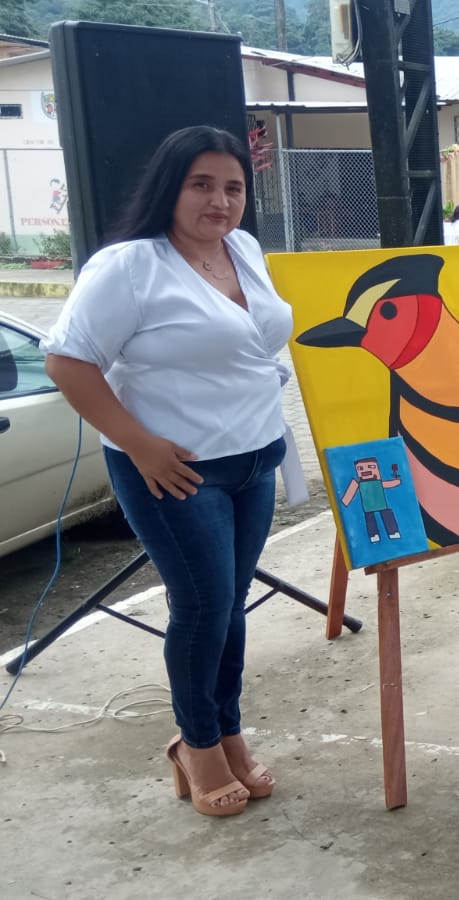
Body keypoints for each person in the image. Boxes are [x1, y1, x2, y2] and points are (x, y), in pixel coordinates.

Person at [41, 126, 293, 816]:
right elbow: (68, 361)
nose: (220, 201)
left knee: (230, 606)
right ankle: (197, 745)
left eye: (234, 187)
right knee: (203, 607)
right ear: (169, 188)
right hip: (175, 471)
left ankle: (228, 730)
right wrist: (139, 443)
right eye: (201, 184)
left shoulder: (244, 249)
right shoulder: (129, 266)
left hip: (255, 456)